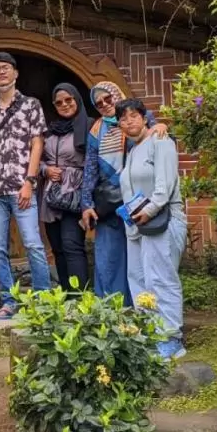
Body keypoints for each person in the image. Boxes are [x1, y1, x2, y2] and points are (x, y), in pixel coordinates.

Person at [0, 52, 51, 319]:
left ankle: (42, 301)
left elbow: (37, 143)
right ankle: (9, 301)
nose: (1, 73)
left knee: (32, 243)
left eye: (6, 68)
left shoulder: (31, 105)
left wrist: (30, 181)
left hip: (21, 187)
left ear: (16, 73)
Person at [80, 81, 165, 304]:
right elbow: (90, 169)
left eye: (108, 98)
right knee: (109, 258)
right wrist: (86, 205)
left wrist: (161, 127)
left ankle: (143, 310)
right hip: (110, 204)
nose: (105, 105)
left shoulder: (138, 118)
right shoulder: (96, 130)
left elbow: (159, 143)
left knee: (140, 258)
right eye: (99, 104)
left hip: (139, 199)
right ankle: (110, 313)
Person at [115, 98, 187, 360]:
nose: (129, 121)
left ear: (145, 118)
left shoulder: (160, 142)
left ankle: (171, 338)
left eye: (134, 116)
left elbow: (164, 186)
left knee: (161, 279)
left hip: (161, 220)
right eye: (123, 118)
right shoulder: (133, 151)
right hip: (137, 226)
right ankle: (149, 334)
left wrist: (149, 210)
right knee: (139, 279)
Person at [40, 83, 89, 293]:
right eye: (59, 102)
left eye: (68, 100)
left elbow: (94, 161)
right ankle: (66, 295)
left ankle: (80, 298)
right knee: (58, 248)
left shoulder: (89, 126)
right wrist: (46, 170)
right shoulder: (49, 131)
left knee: (72, 245)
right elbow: (37, 159)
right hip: (51, 195)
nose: (64, 105)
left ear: (77, 99)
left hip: (75, 193)